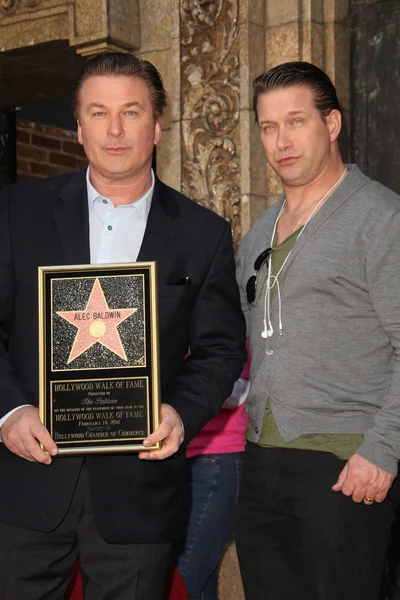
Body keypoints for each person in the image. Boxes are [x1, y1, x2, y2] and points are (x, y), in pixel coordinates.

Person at [0, 52, 246, 600]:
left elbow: (220, 349)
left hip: (140, 493)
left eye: (131, 112)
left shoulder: (202, 234)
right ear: (79, 126)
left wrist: (180, 413)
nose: (115, 129)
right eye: (98, 111)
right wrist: (10, 411)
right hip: (26, 485)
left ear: (157, 126)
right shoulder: (17, 212)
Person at [235, 61, 400, 600]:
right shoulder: (259, 230)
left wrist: (383, 449)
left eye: (296, 121)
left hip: (345, 464)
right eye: (268, 126)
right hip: (261, 462)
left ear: (331, 125)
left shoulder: (380, 218)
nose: (281, 140)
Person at [174, 352, 250, 600]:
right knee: (194, 575)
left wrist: (170, 378)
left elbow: (240, 390)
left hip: (219, 456)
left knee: (187, 574)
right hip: (178, 458)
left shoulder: (229, 324)